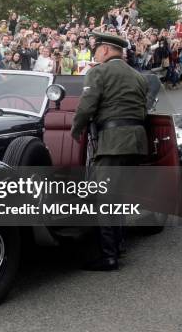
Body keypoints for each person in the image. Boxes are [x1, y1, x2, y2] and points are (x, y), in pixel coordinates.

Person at [70, 32, 148, 271]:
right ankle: (119, 245)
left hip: (113, 141)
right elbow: (143, 108)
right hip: (136, 141)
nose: (94, 53)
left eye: (96, 49)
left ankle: (109, 256)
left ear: (104, 50)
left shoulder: (98, 72)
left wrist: (76, 129)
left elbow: (86, 106)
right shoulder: (137, 76)